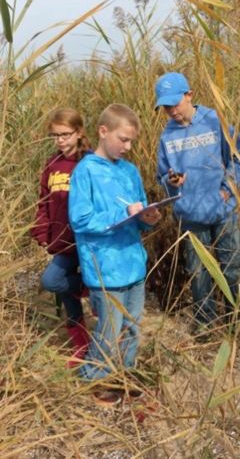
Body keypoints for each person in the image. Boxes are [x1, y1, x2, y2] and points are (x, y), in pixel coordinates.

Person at [69, 104, 161, 387]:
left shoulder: (130, 171)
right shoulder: (85, 172)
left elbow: (139, 214)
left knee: (132, 328)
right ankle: (93, 379)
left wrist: (148, 218)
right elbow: (81, 220)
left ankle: (124, 374)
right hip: (105, 267)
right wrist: (124, 214)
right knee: (109, 331)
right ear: (103, 131)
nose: (128, 146)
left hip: (133, 262)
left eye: (131, 140)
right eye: (123, 139)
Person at [154, 72, 240, 333]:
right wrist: (170, 181)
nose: (171, 110)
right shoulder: (167, 137)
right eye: (165, 106)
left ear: (189, 95)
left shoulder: (215, 121)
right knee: (199, 274)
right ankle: (205, 328)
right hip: (191, 216)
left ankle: (235, 326)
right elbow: (162, 174)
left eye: (175, 103)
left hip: (224, 212)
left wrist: (227, 189)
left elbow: (236, 159)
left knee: (232, 269)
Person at [31, 108, 91, 367]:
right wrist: (42, 232)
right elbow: (44, 202)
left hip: (88, 242)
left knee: (87, 292)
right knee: (54, 282)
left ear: (79, 133)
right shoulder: (52, 165)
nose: (60, 140)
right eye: (55, 135)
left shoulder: (90, 162)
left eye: (66, 134)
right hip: (62, 241)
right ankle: (81, 344)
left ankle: (108, 344)